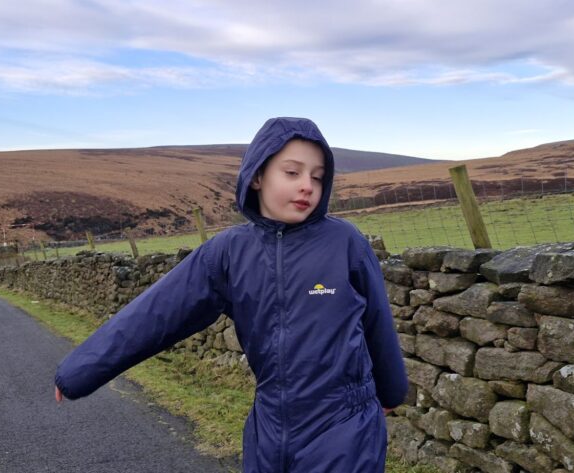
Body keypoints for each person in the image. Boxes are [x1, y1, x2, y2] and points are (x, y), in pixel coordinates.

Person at [54, 117, 409, 472]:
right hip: (268, 433)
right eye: (292, 172)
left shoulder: (344, 242)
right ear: (257, 176)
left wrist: (391, 391)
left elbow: (376, 322)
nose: (307, 186)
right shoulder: (228, 252)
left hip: (345, 430)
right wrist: (78, 372)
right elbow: (156, 314)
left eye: (317, 177)